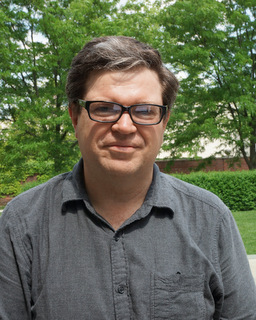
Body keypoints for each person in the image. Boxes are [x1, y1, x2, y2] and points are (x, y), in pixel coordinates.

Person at [0, 36, 255, 320]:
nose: (124, 126)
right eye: (104, 108)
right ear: (74, 116)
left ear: (164, 121)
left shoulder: (211, 219)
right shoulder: (21, 225)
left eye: (144, 111)